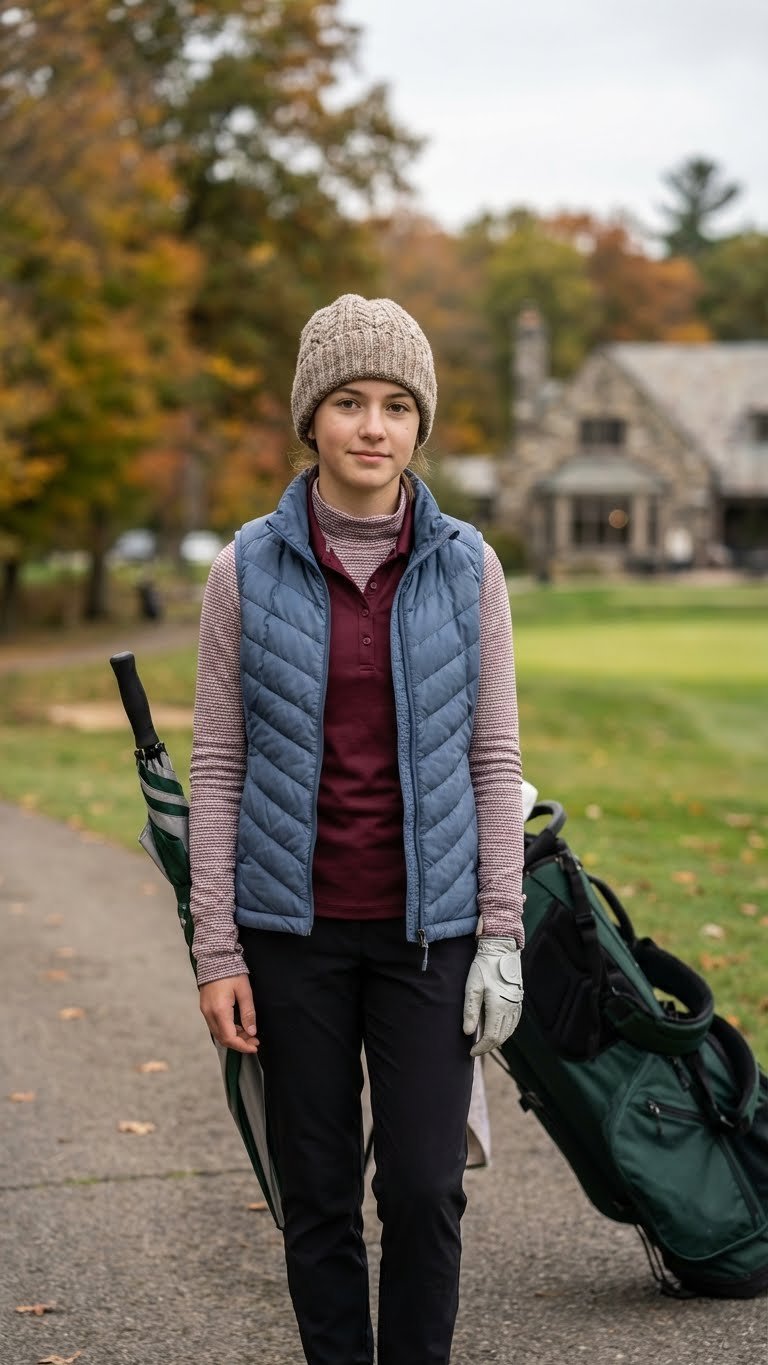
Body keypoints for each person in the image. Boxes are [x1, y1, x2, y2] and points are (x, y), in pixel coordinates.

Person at [189, 294, 526, 1365]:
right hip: (294, 939)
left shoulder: (471, 567)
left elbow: (494, 760)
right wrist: (217, 948)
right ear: (312, 421)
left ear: (420, 424)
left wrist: (503, 933)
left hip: (432, 938)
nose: (371, 426)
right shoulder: (245, 568)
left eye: (394, 404)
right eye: (347, 402)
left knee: (425, 1189)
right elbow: (217, 764)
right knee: (317, 1197)